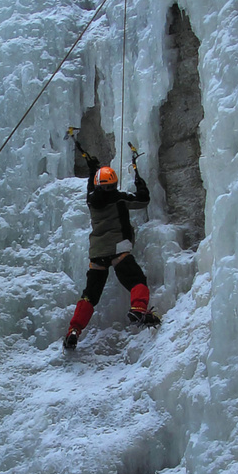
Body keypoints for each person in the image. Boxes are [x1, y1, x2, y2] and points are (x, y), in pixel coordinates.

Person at [64, 147, 161, 351]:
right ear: (114, 184)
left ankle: (73, 331)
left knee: (90, 294)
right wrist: (139, 180)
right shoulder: (120, 198)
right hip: (118, 249)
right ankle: (138, 309)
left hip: (97, 253)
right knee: (136, 280)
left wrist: (93, 169)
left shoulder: (91, 199)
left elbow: (92, 185)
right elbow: (143, 199)